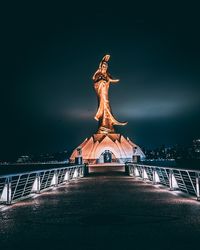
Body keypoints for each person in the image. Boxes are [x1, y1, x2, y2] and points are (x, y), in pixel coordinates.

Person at [93, 55, 127, 134]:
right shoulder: (98, 75)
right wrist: (101, 81)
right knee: (104, 107)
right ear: (101, 67)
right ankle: (103, 126)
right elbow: (95, 84)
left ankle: (108, 126)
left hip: (106, 94)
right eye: (103, 65)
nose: (105, 67)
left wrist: (114, 80)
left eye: (106, 66)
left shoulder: (107, 75)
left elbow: (112, 79)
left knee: (107, 107)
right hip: (101, 94)